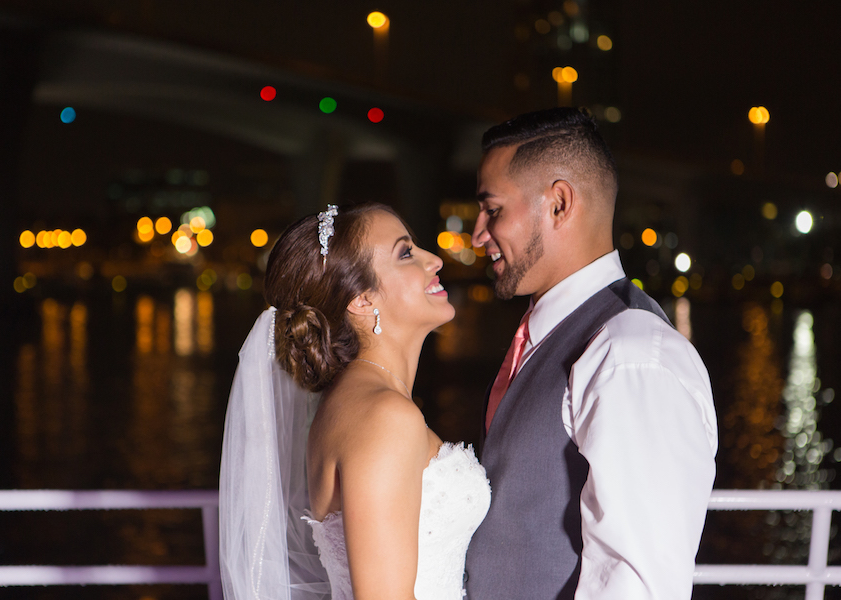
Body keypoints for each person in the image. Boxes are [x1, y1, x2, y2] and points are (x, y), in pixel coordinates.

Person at [464, 108, 718, 599]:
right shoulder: (552, 337)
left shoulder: (632, 355)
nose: (477, 234)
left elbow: (638, 583)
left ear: (559, 203)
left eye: (492, 209)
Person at [219, 203, 491, 600]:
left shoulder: (350, 403)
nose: (435, 259)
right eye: (406, 253)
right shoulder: (384, 416)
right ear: (361, 300)